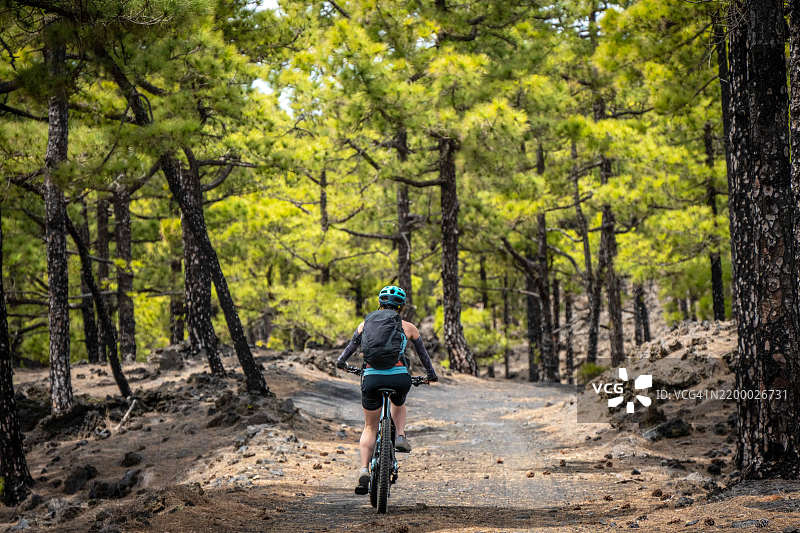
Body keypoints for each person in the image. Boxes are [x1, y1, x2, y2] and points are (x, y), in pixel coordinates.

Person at [336, 285, 438, 495]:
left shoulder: (364, 324)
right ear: (401, 307)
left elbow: (346, 354)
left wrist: (343, 365)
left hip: (371, 378)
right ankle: (400, 435)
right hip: (399, 377)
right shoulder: (409, 327)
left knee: (370, 427)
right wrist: (431, 376)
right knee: (399, 403)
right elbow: (424, 357)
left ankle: (364, 469)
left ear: (380, 304)